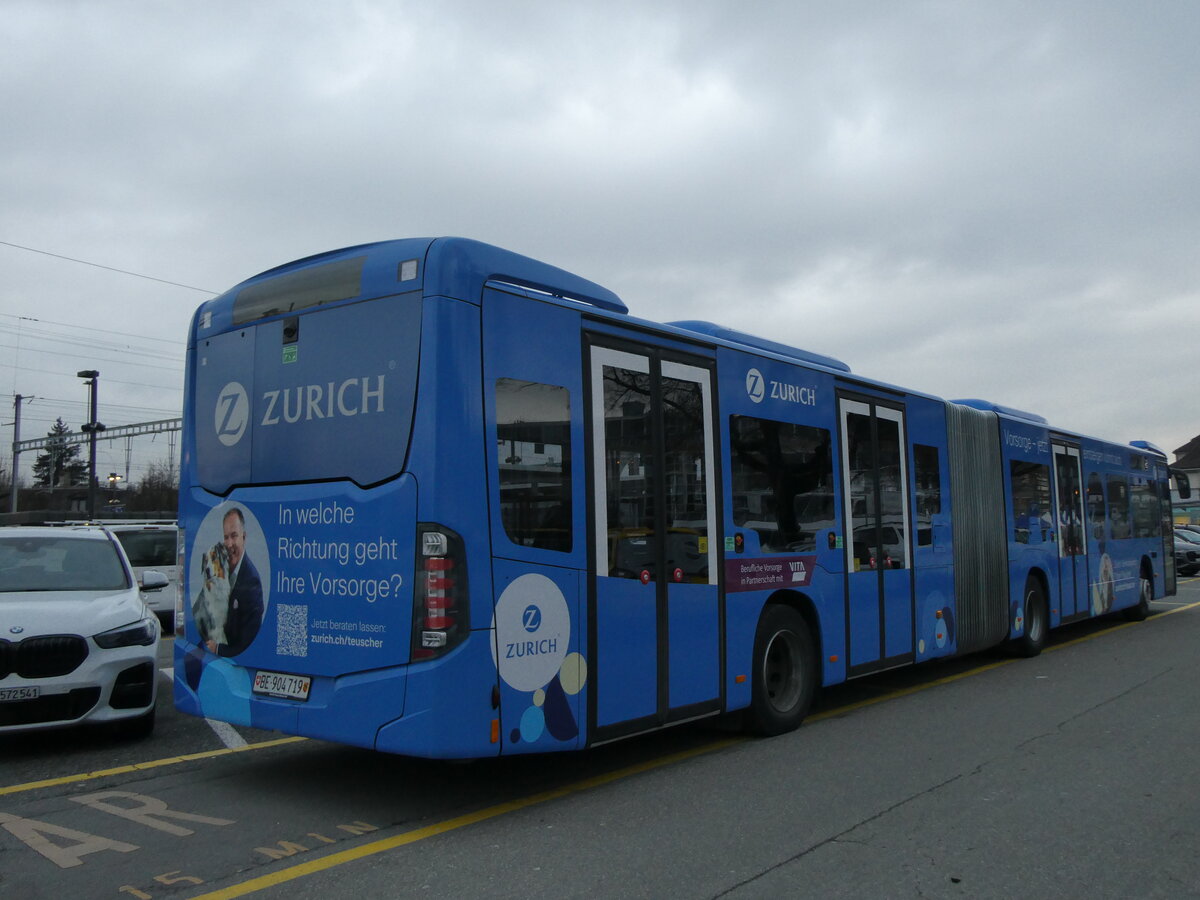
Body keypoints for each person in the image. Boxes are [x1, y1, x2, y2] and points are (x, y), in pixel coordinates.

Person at [206, 506, 263, 657]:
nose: (229, 543)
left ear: (244, 537)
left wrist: (217, 649)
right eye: (226, 537)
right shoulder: (223, 569)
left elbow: (247, 644)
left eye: (234, 536)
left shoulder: (251, 581)